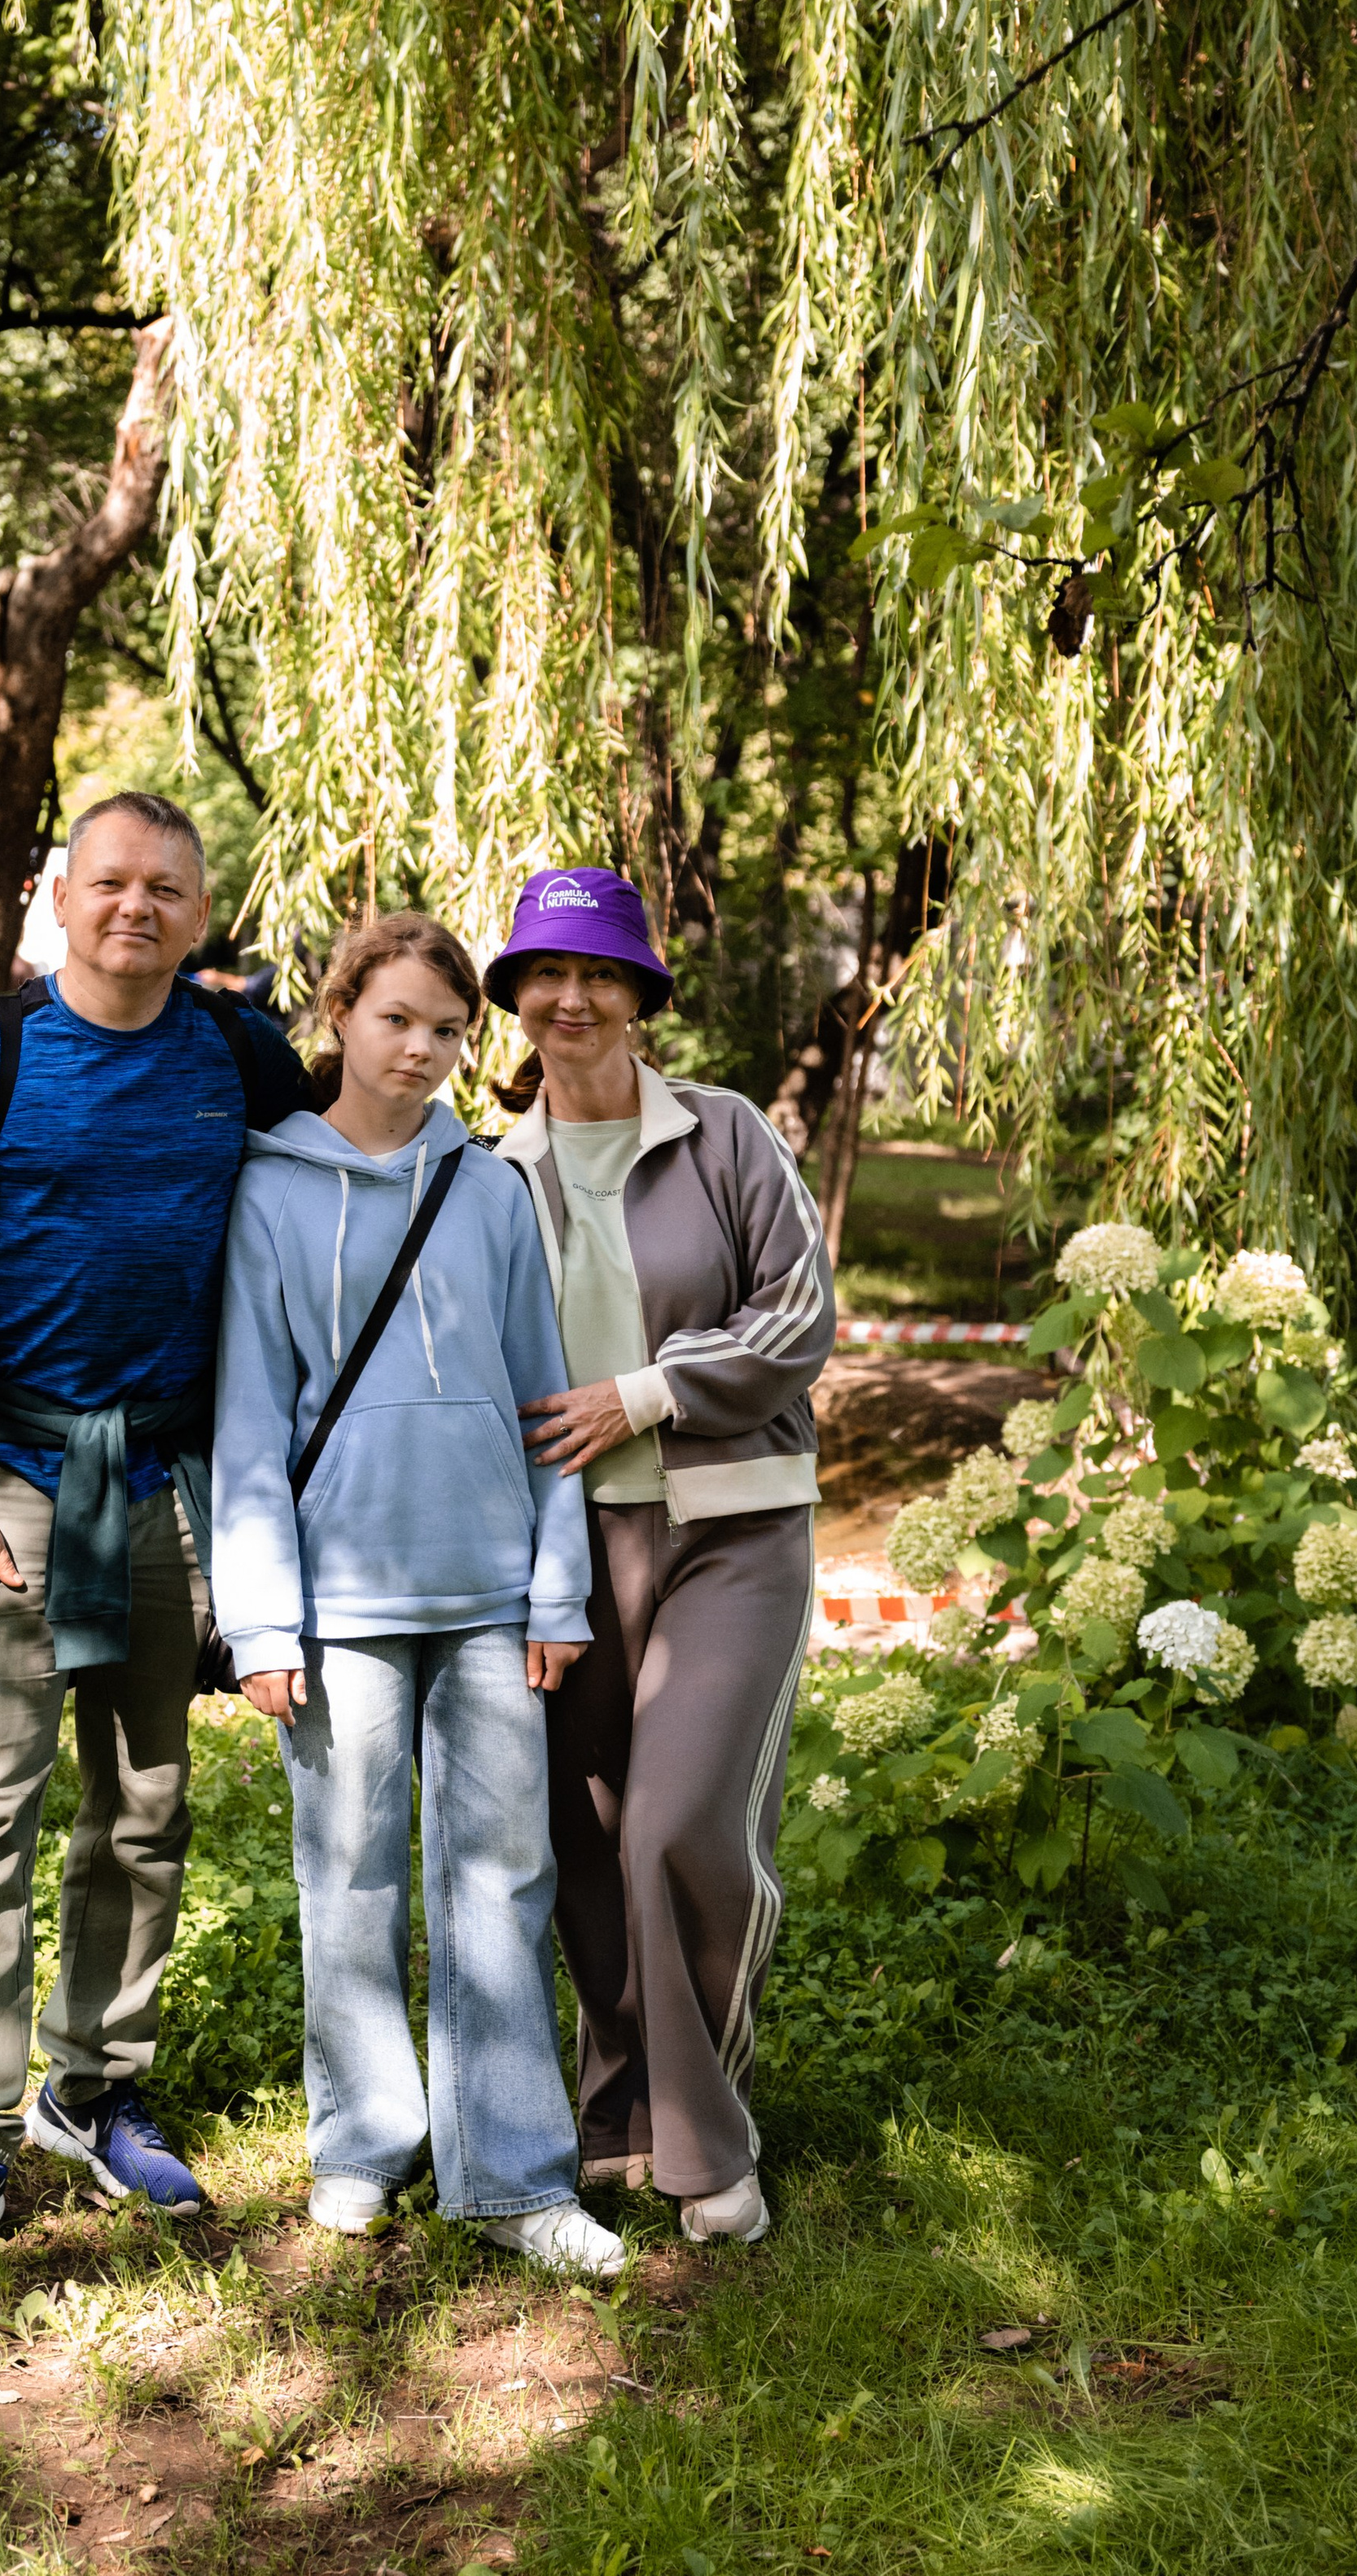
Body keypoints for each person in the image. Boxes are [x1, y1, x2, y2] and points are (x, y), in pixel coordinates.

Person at [0, 791, 311, 2283]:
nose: (135, 907)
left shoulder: (241, 1053)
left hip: (167, 1482)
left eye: (165, 887)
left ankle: (94, 2087)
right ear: (60, 896)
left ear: (201, 910)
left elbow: (345, 1181)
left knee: (144, 1803)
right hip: (5, 1487)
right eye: (110, 881)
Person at [212, 911, 625, 2278]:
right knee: (346, 1875)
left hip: (493, 1595)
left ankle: (514, 2176)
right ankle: (364, 2147)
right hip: (338, 1602)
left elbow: (547, 1404)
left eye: (447, 1030)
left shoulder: (490, 1192)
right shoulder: (270, 1191)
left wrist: (557, 1591)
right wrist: (261, 1620)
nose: (422, 1050)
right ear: (339, 1013)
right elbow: (249, 1422)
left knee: (503, 1877)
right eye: (396, 1019)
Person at [484, 868, 834, 2247]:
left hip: (731, 1529)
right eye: (546, 975)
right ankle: (619, 2112)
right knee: (582, 1836)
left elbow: (799, 1315)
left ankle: (706, 2140)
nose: (572, 999)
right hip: (563, 1550)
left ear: (639, 995)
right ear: (514, 998)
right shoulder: (487, 1173)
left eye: (600, 975)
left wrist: (645, 1392)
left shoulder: (727, 1134)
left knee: (678, 1826)